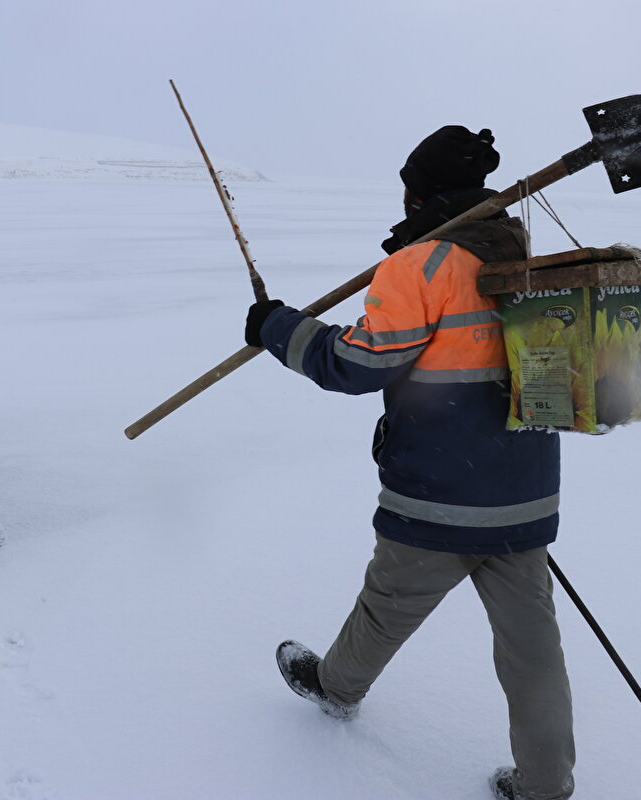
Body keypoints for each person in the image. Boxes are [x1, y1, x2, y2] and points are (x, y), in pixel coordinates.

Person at [245, 127, 574, 800]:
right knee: (532, 645)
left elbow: (359, 363)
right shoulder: (519, 252)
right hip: (524, 492)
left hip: (436, 494)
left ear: (418, 189)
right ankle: (545, 786)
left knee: (387, 607)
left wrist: (276, 328)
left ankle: (335, 689)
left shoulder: (418, 266)